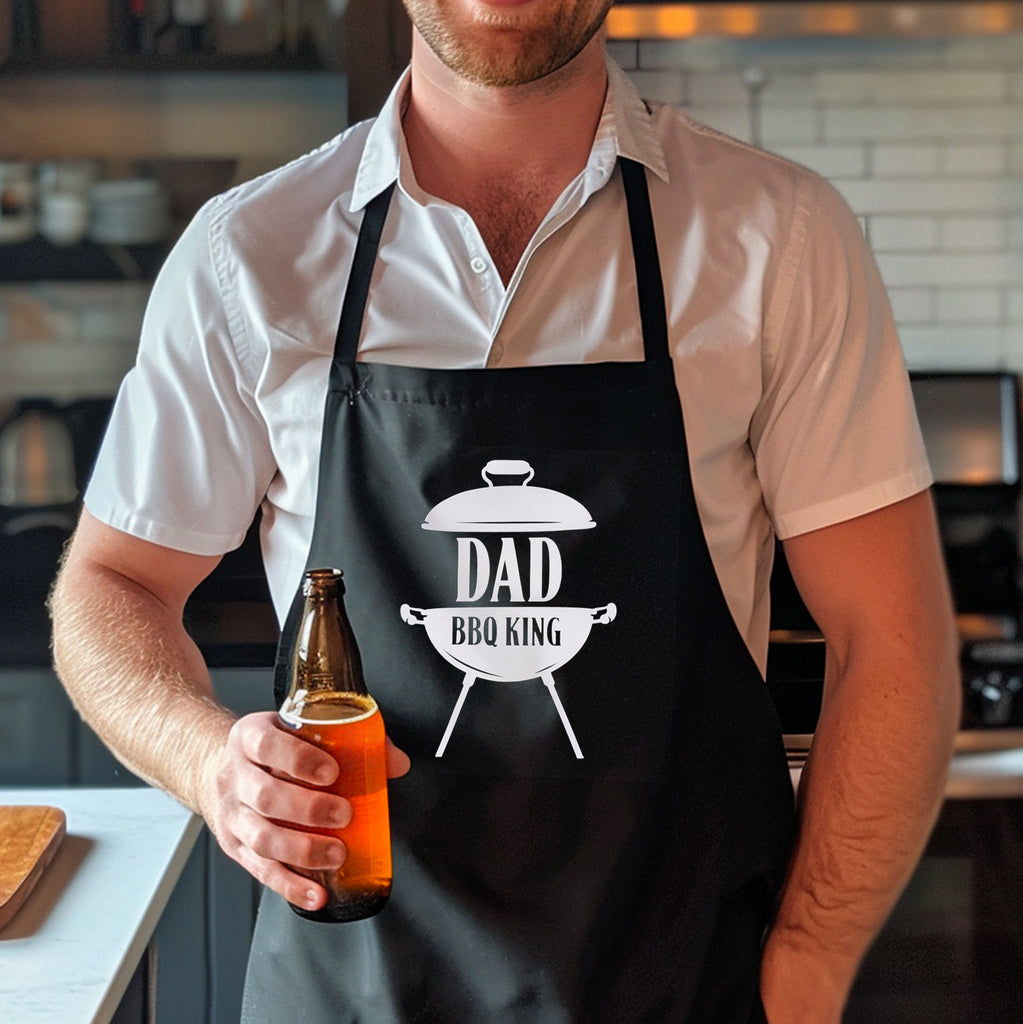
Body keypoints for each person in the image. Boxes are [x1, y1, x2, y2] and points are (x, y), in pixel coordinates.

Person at [50, 2, 960, 1021]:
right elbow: (110, 583)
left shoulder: (777, 238)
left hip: (687, 986)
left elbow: (894, 639)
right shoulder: (251, 254)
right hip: (352, 993)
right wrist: (206, 759)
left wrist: (809, 966)